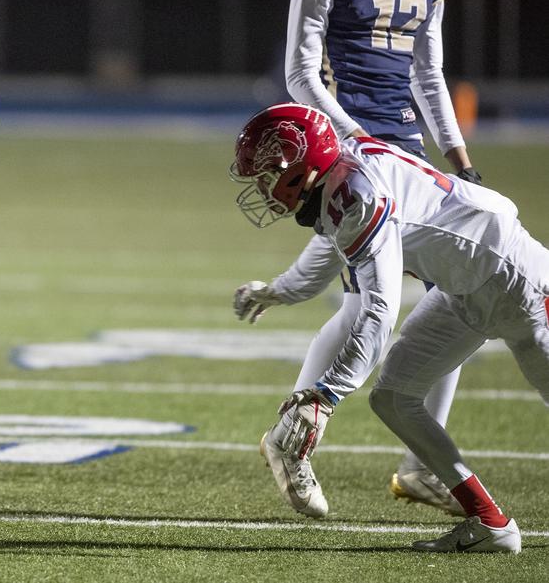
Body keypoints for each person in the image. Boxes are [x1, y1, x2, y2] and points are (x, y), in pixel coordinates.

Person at [230, 102, 547, 552]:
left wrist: (326, 395)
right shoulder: (338, 180)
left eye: (267, 175)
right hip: (466, 290)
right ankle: (491, 524)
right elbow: (327, 256)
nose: (262, 188)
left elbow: (379, 312)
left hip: (520, 281)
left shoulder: (358, 197)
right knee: (395, 397)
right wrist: (277, 291)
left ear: (299, 168)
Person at [277, 0, 478, 516]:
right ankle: (293, 442)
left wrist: (460, 159)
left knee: (460, 294)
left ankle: (420, 465)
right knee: (367, 302)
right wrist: (355, 141)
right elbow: (300, 74)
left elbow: (428, 70)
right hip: (350, 144)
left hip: (407, 151)